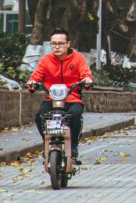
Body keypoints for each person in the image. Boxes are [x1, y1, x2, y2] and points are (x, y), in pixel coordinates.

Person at [27, 28, 93, 165]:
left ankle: (73, 146)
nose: (57, 46)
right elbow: (36, 75)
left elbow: (85, 73)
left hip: (72, 99)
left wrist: (87, 80)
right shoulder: (46, 60)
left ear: (68, 44)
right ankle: (47, 142)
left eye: (60, 43)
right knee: (40, 116)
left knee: (75, 116)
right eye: (54, 43)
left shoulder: (78, 58)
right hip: (52, 100)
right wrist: (32, 83)